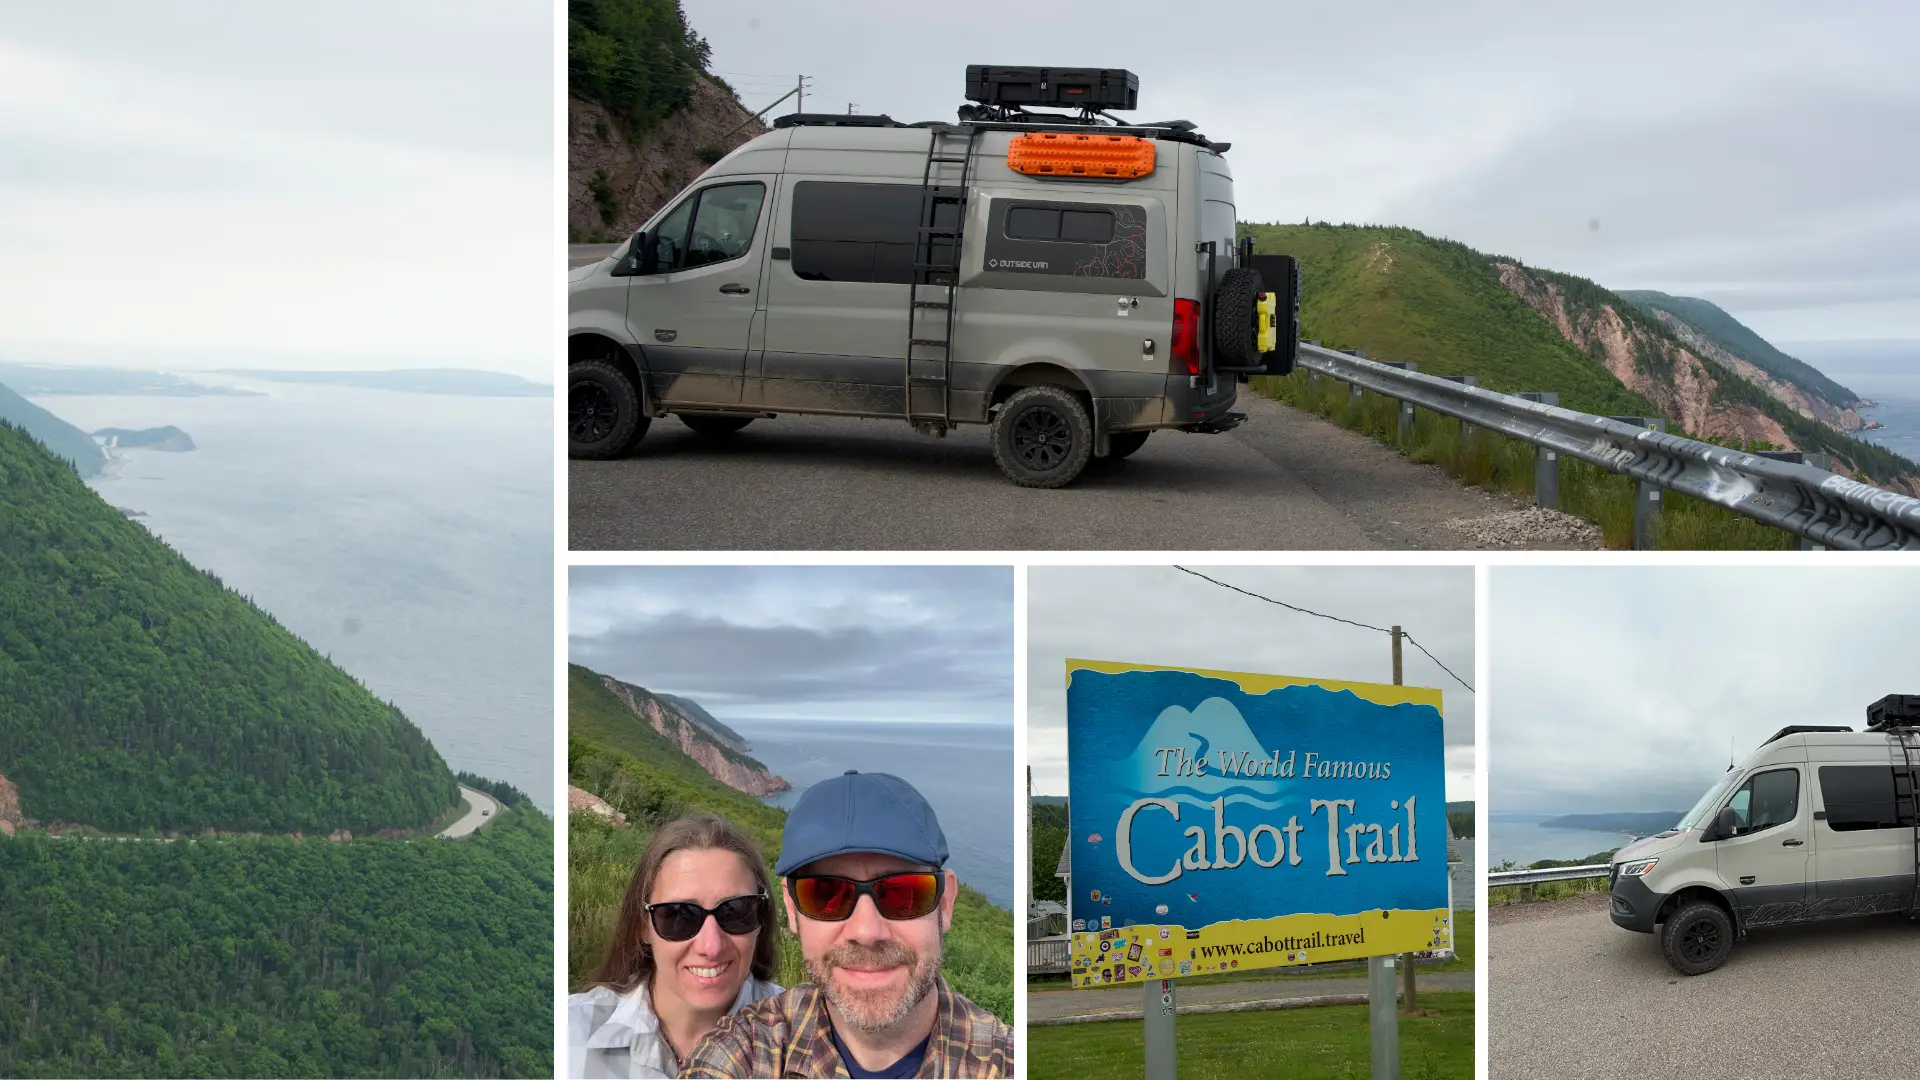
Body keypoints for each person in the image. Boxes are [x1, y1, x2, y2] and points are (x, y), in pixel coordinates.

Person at [682, 770, 1013, 1079]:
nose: (866, 932)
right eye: (826, 894)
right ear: (791, 907)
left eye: (903, 894)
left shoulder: (1008, 1060)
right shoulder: (746, 1052)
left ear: (945, 903)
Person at [569, 814, 784, 1078]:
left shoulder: (804, 1039)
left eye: (736, 912)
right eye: (679, 915)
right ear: (641, 925)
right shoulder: (570, 1033)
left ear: (761, 920)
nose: (711, 946)